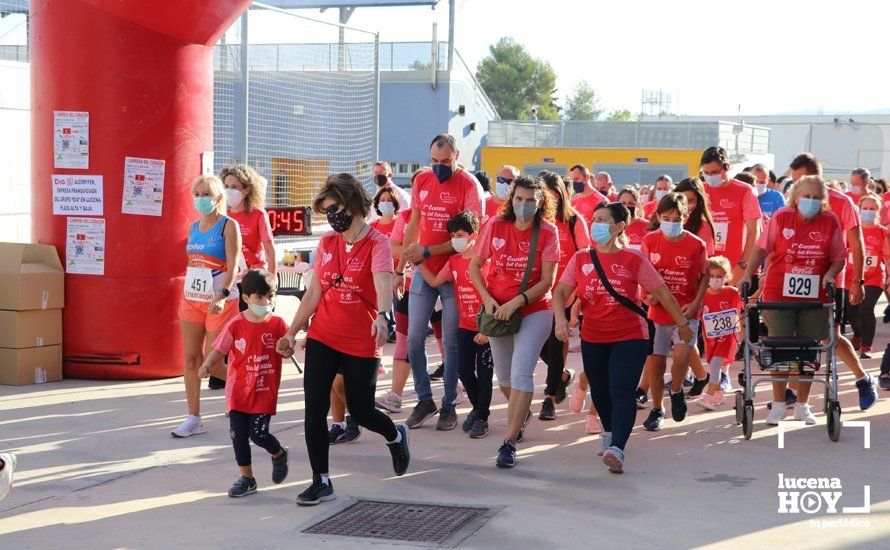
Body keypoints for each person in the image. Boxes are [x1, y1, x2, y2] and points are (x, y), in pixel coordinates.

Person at [277, 173, 410, 506]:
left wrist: (382, 314)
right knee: (314, 410)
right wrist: (292, 331)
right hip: (324, 334)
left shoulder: (376, 242)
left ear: (352, 203)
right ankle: (321, 480)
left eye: (334, 208)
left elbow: (382, 282)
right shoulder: (327, 243)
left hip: (361, 338)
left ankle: (395, 435)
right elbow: (314, 293)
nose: (331, 217)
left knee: (363, 411)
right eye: (326, 211)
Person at [553, 202, 693, 473]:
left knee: (620, 389)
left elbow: (662, 293)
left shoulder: (633, 259)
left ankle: (617, 446)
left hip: (630, 335)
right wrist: (560, 318)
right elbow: (560, 292)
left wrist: (682, 324)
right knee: (601, 390)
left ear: (619, 227)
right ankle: (609, 431)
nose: (596, 224)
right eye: (594, 218)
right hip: (593, 336)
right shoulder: (581, 258)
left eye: (603, 220)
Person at [740, 175, 846, 425]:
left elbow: (839, 257)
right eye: (806, 196)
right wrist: (747, 275)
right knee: (780, 349)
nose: (811, 201)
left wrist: (831, 275)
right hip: (779, 292)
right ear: (795, 197)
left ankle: (802, 404)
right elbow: (761, 247)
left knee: (807, 350)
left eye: (817, 197)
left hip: (815, 294)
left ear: (823, 201)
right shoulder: (782, 216)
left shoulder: (830, 221)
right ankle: (778, 405)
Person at [470, 175, 560, 468]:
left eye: (531, 200)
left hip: (534, 310)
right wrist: (486, 298)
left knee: (522, 376)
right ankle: (522, 413)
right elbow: (475, 265)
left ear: (541, 202)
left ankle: (508, 442)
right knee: (505, 379)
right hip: (497, 311)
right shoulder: (495, 225)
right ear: (511, 199)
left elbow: (548, 281)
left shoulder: (548, 232)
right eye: (519, 199)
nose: (524, 205)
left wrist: (518, 301)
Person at [395, 134, 484, 431]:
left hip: (453, 270)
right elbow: (414, 224)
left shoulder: (470, 186)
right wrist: (400, 266)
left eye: (445, 162)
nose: (439, 167)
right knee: (413, 337)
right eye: (434, 161)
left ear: (457, 155)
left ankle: (448, 404)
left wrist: (429, 251)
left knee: (450, 342)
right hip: (422, 267)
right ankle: (424, 399)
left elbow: (469, 236)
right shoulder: (422, 180)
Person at [789, 153, 878, 410]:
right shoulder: (795, 200)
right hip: (798, 278)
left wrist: (857, 280)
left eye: (799, 179)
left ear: (813, 177)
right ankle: (794, 389)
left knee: (832, 336)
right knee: (794, 334)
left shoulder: (841, 202)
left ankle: (862, 379)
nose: (795, 186)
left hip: (832, 280)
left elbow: (856, 242)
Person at [198, 269, 291, 497]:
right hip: (238, 391)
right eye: (260, 297)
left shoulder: (278, 324)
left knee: (258, 435)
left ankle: (278, 453)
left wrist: (286, 350)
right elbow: (220, 348)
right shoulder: (236, 324)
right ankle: (247, 479)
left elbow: (286, 350)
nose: (266, 301)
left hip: (263, 390)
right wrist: (208, 365)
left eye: (270, 296)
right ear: (246, 298)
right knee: (238, 436)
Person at [172, 175, 242, 438]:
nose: (200, 199)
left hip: (219, 300)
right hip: (192, 299)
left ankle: (245, 389)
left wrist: (222, 294)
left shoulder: (228, 225)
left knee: (213, 364)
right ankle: (193, 418)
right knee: (191, 359)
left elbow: (233, 264)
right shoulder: (193, 227)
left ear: (218, 198)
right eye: (197, 193)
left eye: (206, 194)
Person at [415, 211, 493, 438]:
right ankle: (478, 409)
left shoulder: (485, 262)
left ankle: (482, 417)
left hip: (485, 329)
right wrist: (418, 262)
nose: (456, 239)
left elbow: (495, 294)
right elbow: (434, 281)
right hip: (465, 327)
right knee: (464, 371)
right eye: (452, 235)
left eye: (460, 234)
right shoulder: (453, 261)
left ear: (474, 235)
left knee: (486, 374)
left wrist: (486, 330)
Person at [639, 193, 709, 430]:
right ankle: (657, 409)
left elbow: (704, 275)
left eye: (676, 218)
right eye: (666, 217)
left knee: (681, 356)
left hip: (686, 312)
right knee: (656, 364)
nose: (671, 221)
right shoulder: (649, 241)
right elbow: (642, 272)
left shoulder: (696, 244)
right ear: (658, 217)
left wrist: (697, 302)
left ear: (685, 217)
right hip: (657, 312)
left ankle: (676, 389)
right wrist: (646, 296)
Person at [218, 164, 277, 389]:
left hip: (252, 279)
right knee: (227, 329)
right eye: (226, 186)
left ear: (246, 190)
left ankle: (254, 375)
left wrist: (272, 285)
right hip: (227, 279)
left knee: (250, 331)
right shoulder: (221, 215)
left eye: (235, 186)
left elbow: (270, 250)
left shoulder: (257, 214)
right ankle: (224, 374)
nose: (229, 190)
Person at [537, 171, 588, 422]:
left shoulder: (574, 221)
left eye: (553, 193)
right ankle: (562, 377)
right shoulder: (535, 222)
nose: (550, 199)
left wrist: (577, 298)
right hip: (538, 294)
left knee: (556, 346)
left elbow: (585, 259)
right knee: (538, 345)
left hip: (566, 294)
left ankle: (549, 398)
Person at [699, 146, 762, 283]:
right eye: (706, 173)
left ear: (727, 167)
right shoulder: (700, 190)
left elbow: (754, 232)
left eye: (715, 172)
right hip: (704, 268)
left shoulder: (745, 191)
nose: (710, 177)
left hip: (734, 268)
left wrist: (742, 265)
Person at [696, 256, 744, 410]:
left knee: (716, 365)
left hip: (727, 337)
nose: (715, 280)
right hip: (710, 338)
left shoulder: (732, 292)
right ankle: (718, 395)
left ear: (727, 277)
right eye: (712, 276)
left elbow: (746, 305)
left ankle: (709, 396)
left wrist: (761, 288)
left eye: (720, 277)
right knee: (712, 363)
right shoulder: (702, 294)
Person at [845, 195, 889, 359]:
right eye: (865, 208)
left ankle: (866, 346)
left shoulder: (883, 233)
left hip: (874, 277)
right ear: (859, 209)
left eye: (872, 209)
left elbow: (888, 257)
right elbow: (843, 253)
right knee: (851, 311)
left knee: (866, 308)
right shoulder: (852, 230)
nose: (868, 212)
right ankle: (858, 335)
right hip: (852, 276)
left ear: (878, 211)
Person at [674, 177, 716, 255]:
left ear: (699, 201)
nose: (685, 204)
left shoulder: (703, 227)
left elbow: (705, 259)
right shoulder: (664, 218)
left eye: (690, 201)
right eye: (681, 199)